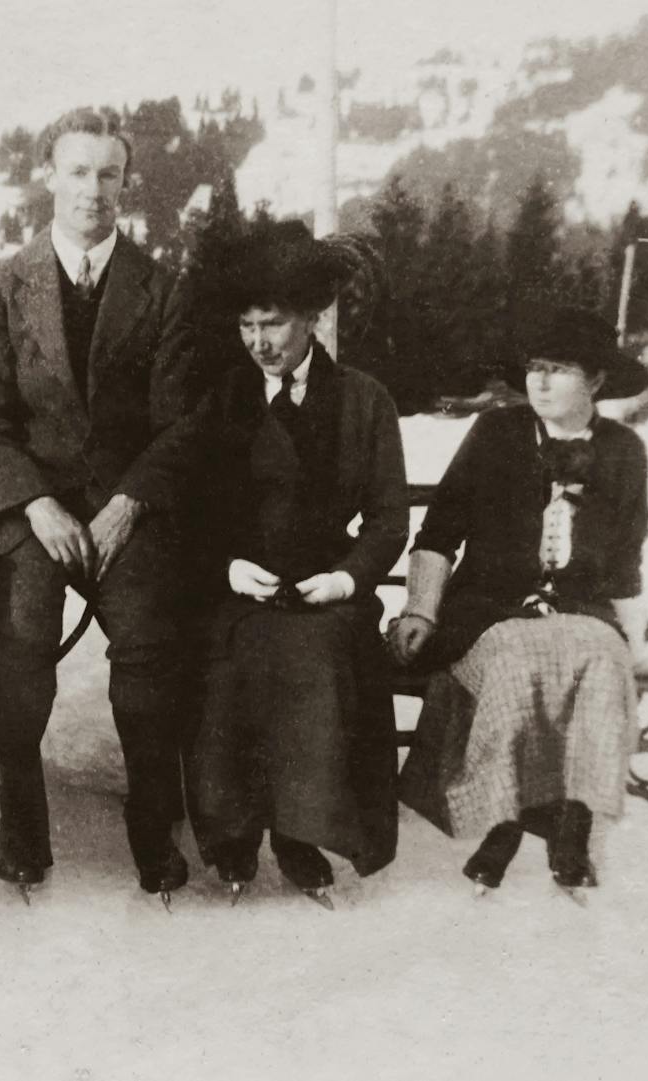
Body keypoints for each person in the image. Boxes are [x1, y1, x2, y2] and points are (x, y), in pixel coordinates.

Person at [0, 107, 199, 899]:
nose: (93, 190)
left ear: (127, 183)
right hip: (37, 514)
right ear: (49, 178)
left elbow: (183, 422)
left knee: (150, 651)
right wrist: (34, 505)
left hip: (129, 510)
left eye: (109, 174)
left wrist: (129, 503)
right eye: (79, 172)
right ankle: (24, 832)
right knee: (20, 646)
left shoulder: (165, 291)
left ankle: (153, 828)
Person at [387, 304, 648, 895]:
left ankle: (574, 824)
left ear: (595, 379)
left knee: (601, 659)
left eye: (560, 369)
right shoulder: (497, 433)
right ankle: (507, 821)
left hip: (583, 616)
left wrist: (639, 645)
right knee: (522, 660)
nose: (540, 382)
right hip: (488, 614)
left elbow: (624, 565)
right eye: (534, 368)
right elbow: (440, 532)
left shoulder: (623, 451)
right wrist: (420, 608)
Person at [187, 223, 409, 904]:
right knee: (234, 654)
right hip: (240, 588)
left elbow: (387, 517)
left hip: (327, 590)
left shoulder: (365, 401)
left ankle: (299, 834)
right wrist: (225, 567)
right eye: (248, 325)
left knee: (320, 653)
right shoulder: (223, 399)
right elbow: (190, 512)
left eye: (274, 324)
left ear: (312, 319)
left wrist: (345, 577)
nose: (260, 341)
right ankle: (233, 838)